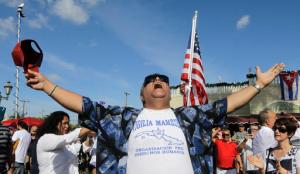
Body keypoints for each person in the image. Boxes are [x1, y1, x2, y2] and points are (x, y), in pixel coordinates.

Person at [25, 63, 285, 174]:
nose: (157, 81)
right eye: (150, 80)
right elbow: (85, 105)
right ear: (142, 94)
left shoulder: (190, 116)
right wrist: (48, 85)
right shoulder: (123, 117)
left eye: (162, 79)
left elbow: (226, 104)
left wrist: (258, 86)